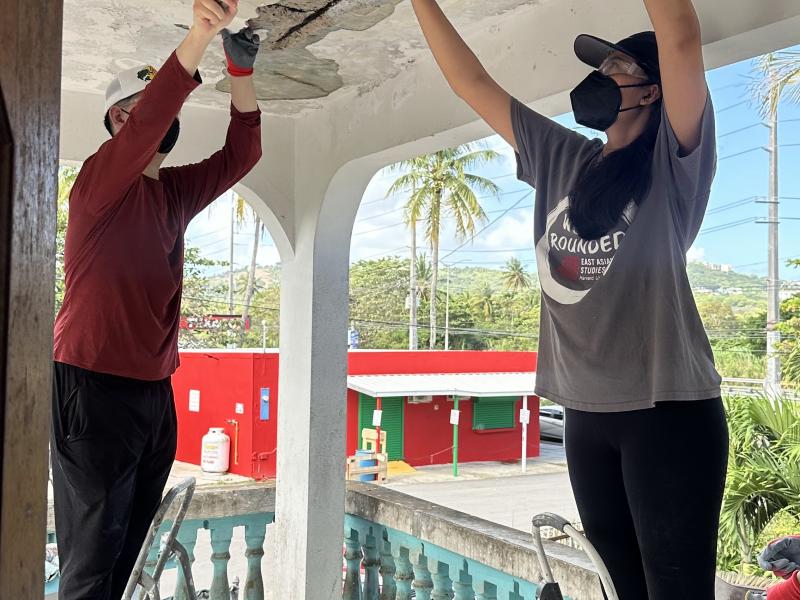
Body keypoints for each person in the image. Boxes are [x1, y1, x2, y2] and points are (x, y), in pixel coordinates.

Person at [410, 0, 727, 598]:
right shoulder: (563, 158)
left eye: (615, 68)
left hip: (668, 413)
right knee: (617, 589)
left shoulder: (673, 164)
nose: (597, 80)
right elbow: (470, 81)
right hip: (584, 413)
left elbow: (680, 34)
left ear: (652, 92)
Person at [50, 1, 262, 597]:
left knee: (132, 553)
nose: (150, 118)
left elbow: (242, 156)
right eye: (137, 109)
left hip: (152, 392)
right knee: (91, 561)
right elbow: (149, 124)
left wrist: (241, 77)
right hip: (90, 386)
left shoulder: (174, 192)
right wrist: (200, 33)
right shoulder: (98, 182)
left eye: (155, 106)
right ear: (118, 122)